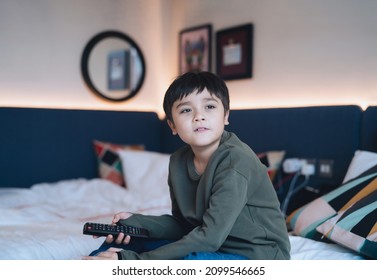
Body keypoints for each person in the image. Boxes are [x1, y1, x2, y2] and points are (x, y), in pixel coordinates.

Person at [83, 71, 291, 260]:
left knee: (188, 264)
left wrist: (133, 262)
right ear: (172, 125)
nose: (198, 116)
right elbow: (184, 224)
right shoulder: (178, 161)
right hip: (212, 244)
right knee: (128, 242)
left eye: (209, 107)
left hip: (259, 255)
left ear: (226, 116)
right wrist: (137, 222)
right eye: (185, 110)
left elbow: (210, 237)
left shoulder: (235, 161)